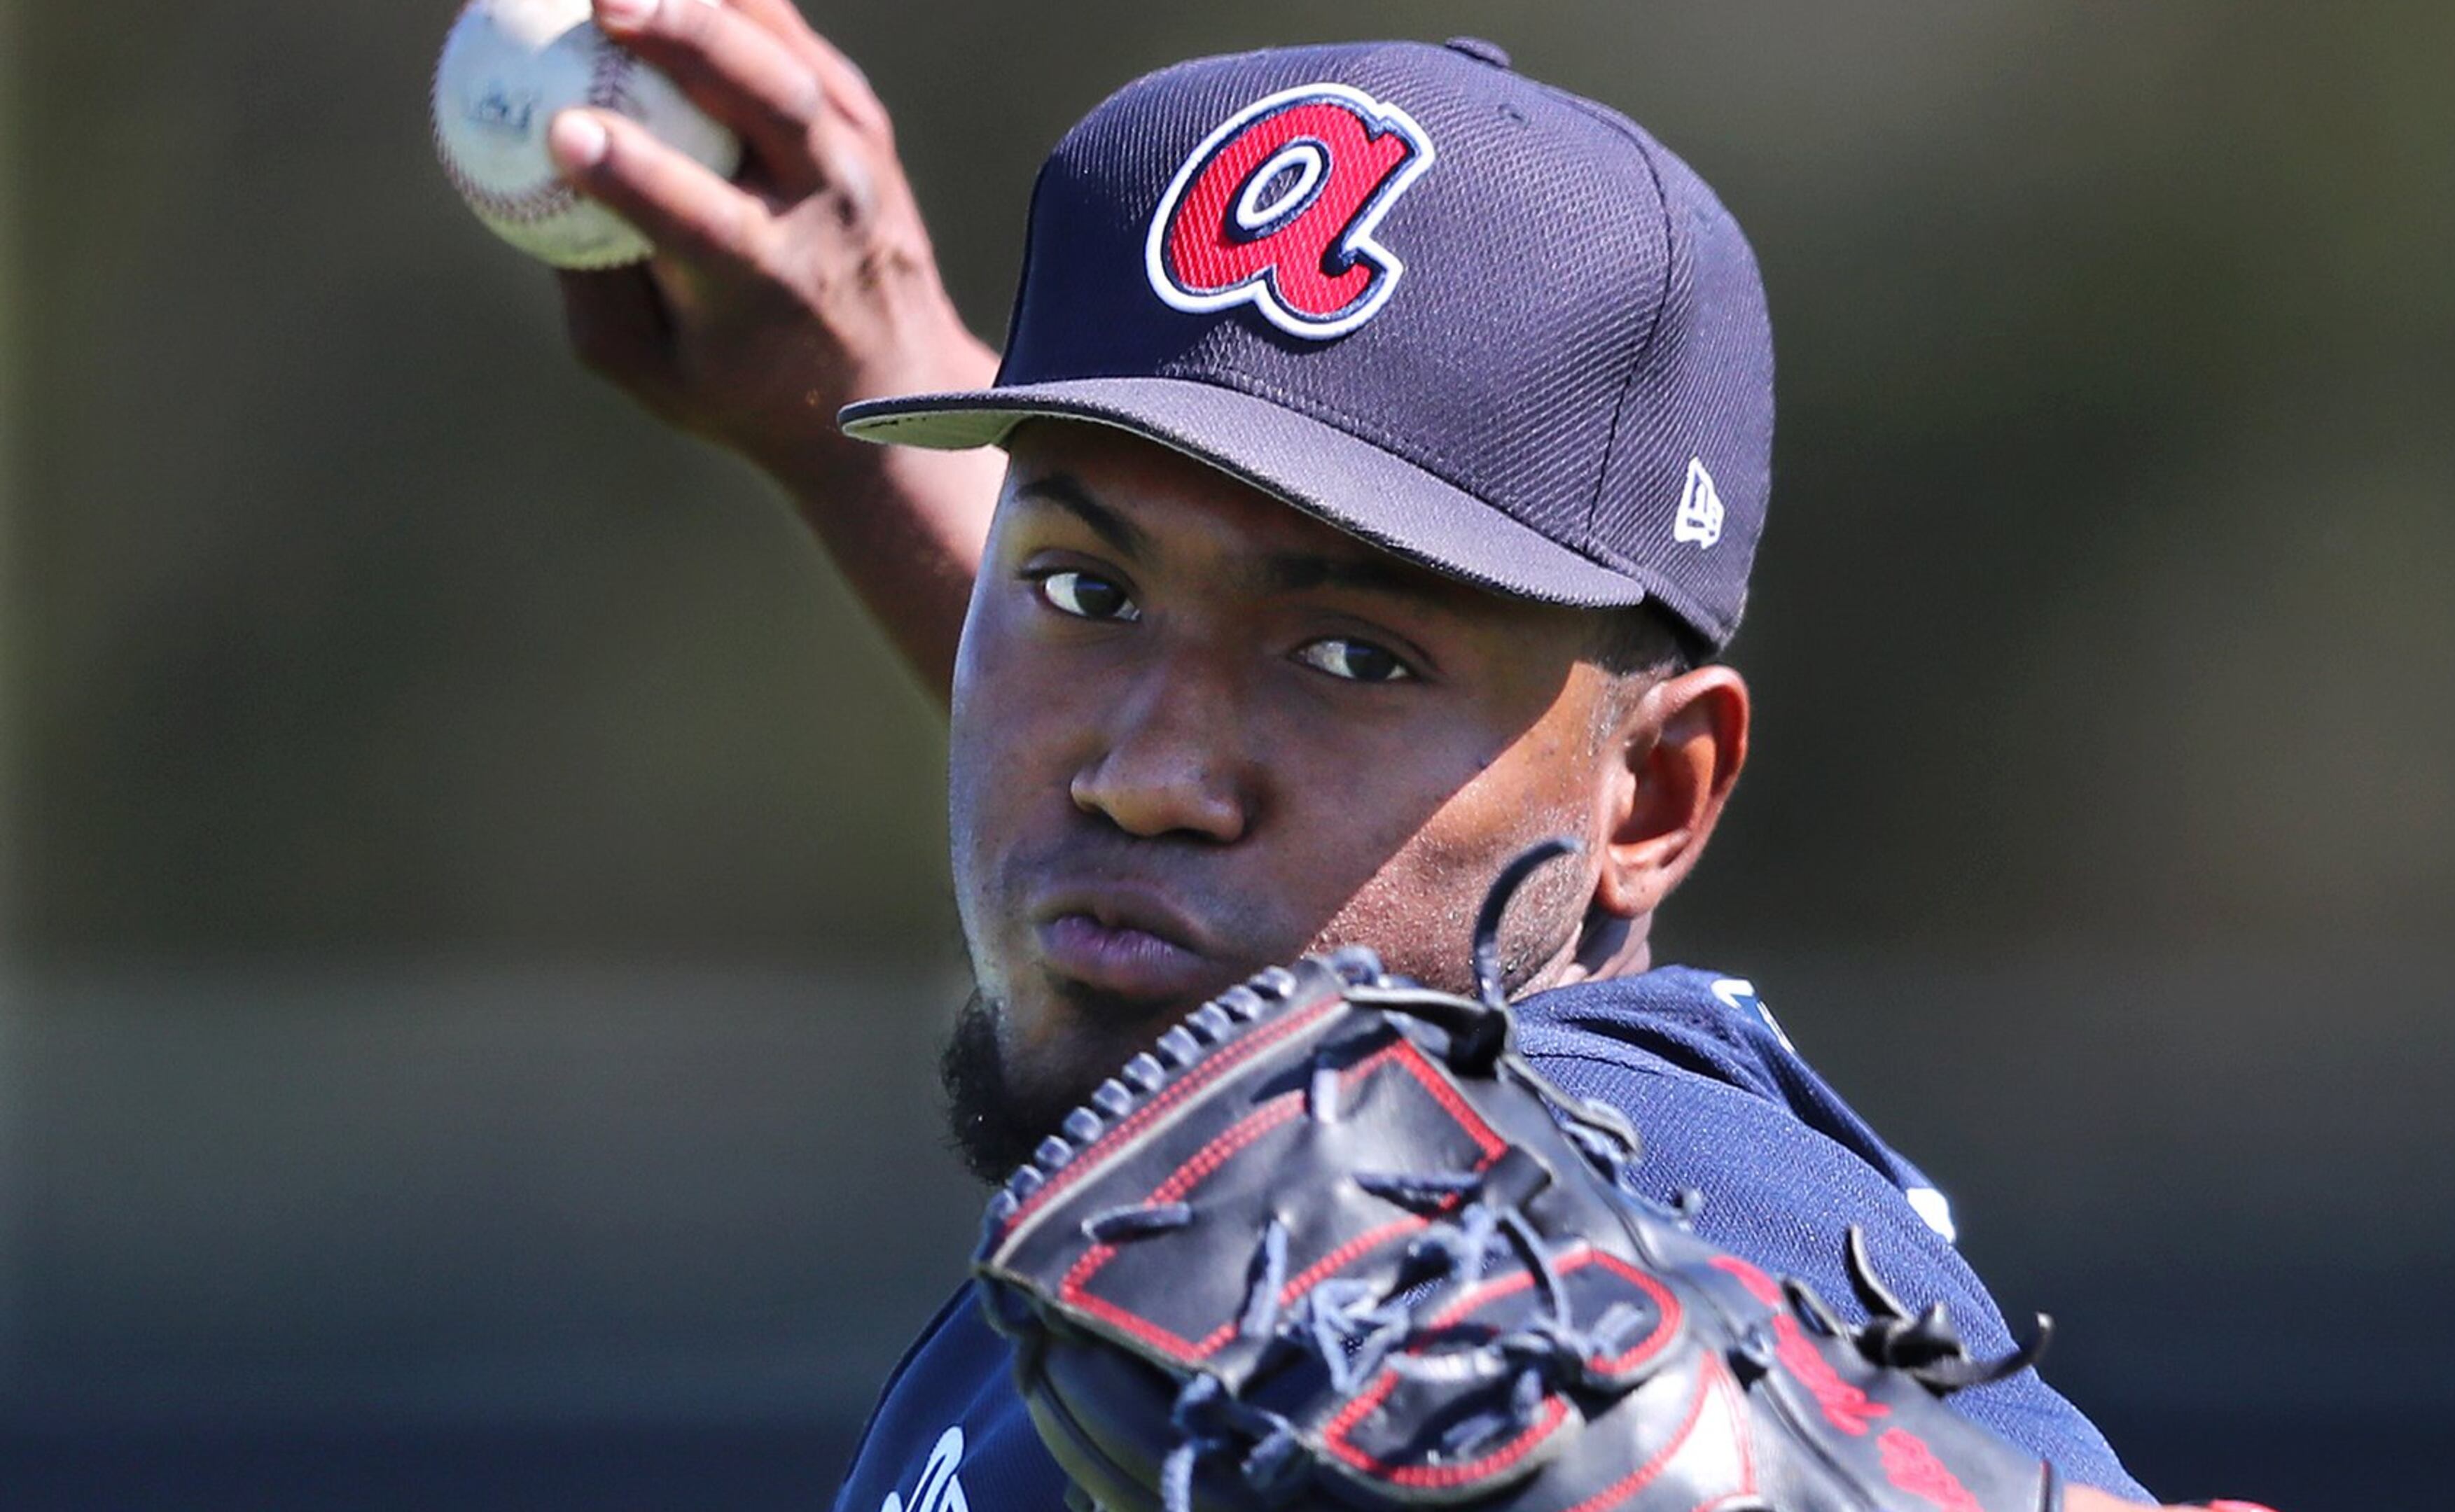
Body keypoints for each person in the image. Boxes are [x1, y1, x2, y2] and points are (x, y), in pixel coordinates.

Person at [536, 3, 2221, 1506]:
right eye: (1082, 588)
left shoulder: (1640, 1219)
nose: (1144, 779)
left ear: (1652, 798)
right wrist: (857, 391)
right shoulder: (1232, 1142)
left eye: (1354, 657)